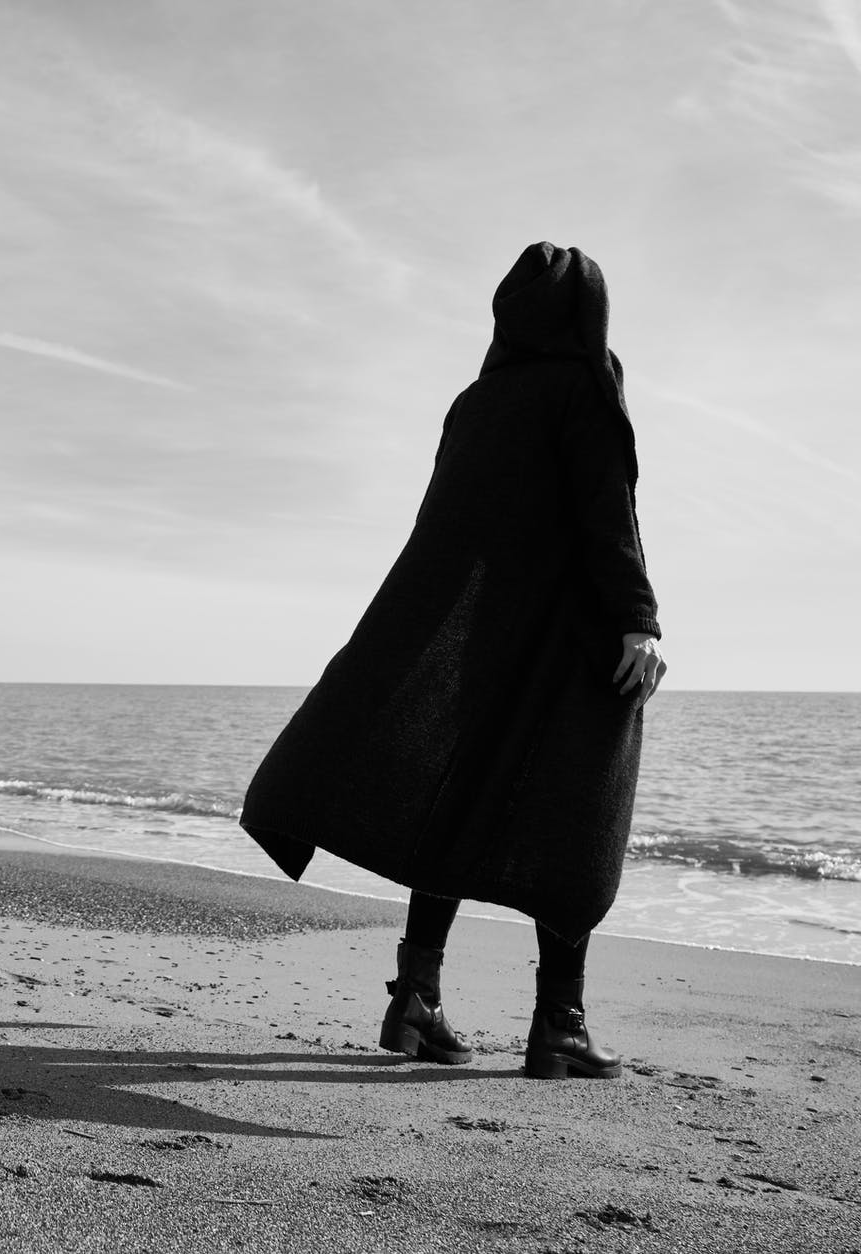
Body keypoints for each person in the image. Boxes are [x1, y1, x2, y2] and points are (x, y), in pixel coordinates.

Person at [239, 242, 666, 1080]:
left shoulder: (476, 401)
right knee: (576, 822)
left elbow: (445, 535)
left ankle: (418, 999)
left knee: (456, 803)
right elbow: (604, 512)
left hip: (481, 649)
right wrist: (638, 620)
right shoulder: (585, 384)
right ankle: (560, 1024)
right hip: (572, 641)